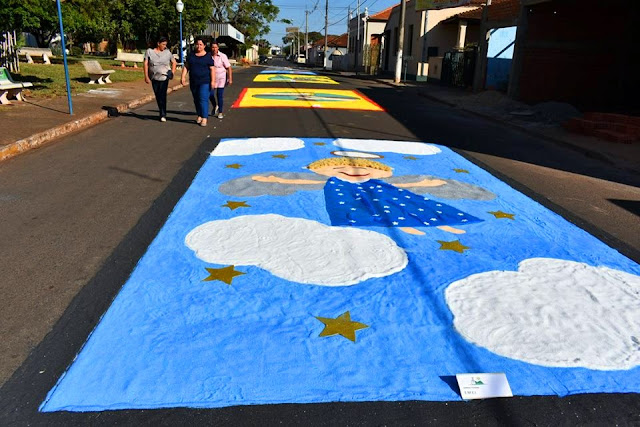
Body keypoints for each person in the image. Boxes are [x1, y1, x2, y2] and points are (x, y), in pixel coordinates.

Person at [181, 37, 215, 126]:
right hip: (193, 81)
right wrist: (183, 77)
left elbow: (212, 69)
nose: (199, 46)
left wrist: (213, 81)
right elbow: (186, 66)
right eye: (197, 44)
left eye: (201, 44)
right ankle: (199, 114)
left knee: (203, 98)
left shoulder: (208, 56)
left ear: (204, 46)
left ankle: (204, 117)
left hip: (205, 81)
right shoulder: (191, 55)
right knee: (196, 99)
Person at [144, 36, 177, 122]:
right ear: (158, 43)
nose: (164, 46)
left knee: (162, 95)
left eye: (165, 44)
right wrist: (146, 76)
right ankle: (161, 110)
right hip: (154, 77)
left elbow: (174, 62)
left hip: (164, 77)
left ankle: (163, 114)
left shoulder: (167, 52)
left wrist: (172, 72)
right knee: (158, 95)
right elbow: (146, 63)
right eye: (163, 44)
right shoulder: (149, 52)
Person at [209, 42, 233, 119]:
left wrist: (230, 78)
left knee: (219, 95)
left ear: (218, 48)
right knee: (210, 94)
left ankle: (220, 112)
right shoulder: (208, 56)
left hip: (221, 78)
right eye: (213, 47)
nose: (214, 49)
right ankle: (215, 105)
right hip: (212, 78)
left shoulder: (222, 56)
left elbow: (228, 67)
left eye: (215, 47)